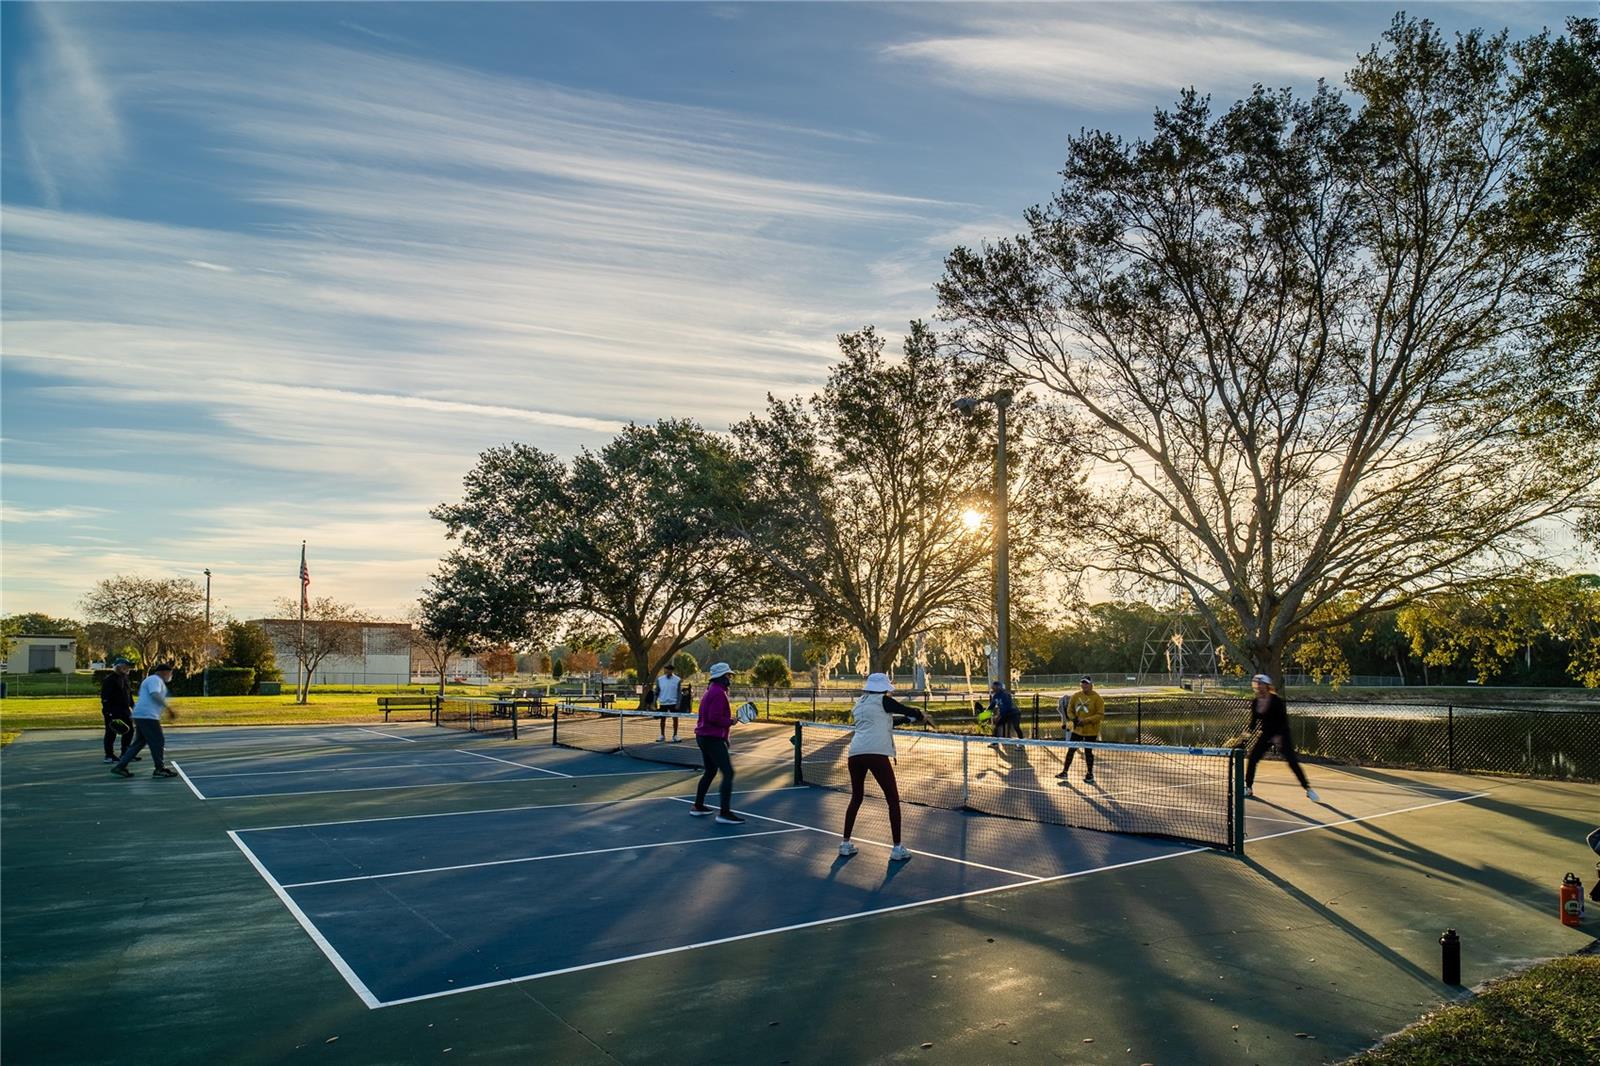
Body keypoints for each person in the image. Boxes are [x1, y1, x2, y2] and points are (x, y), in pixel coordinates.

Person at [838, 672, 928, 861]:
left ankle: (845, 844)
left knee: (856, 797)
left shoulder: (860, 703)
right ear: (883, 688)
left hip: (855, 754)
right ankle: (897, 848)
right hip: (875, 753)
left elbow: (885, 721)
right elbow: (906, 709)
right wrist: (918, 714)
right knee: (893, 800)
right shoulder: (884, 700)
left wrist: (907, 720)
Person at [1243, 673, 1318, 802]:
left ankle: (1308, 789)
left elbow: (1283, 721)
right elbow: (1253, 724)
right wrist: (1244, 738)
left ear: (1267, 686)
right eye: (1257, 684)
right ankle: (1248, 788)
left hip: (1282, 733)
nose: (1258, 686)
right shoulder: (1255, 702)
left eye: (1261, 684)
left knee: (1292, 761)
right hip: (1266, 734)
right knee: (1253, 758)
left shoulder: (1276, 700)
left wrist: (1278, 737)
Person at [688, 662, 743, 823]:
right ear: (721, 677)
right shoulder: (718, 693)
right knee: (728, 773)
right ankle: (724, 813)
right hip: (712, 739)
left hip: (704, 737)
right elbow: (714, 718)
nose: (730, 678)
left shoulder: (711, 690)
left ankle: (698, 806)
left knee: (710, 771)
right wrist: (730, 722)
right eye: (728, 675)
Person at [111, 663, 180, 779]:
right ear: (164, 672)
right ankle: (159, 769)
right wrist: (169, 709)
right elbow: (154, 694)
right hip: (148, 716)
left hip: (142, 714)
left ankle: (120, 766)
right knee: (158, 741)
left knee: (139, 742)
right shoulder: (155, 679)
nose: (171, 675)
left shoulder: (152, 680)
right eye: (170, 673)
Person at [1056, 675, 1105, 784]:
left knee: (1088, 752)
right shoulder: (1076, 696)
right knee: (1071, 750)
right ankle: (1064, 772)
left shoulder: (1098, 698)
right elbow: (1070, 709)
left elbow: (1100, 715)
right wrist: (1074, 718)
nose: (1084, 685)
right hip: (1077, 730)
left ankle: (1090, 774)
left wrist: (1086, 720)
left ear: (1091, 685)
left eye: (1086, 683)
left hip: (1091, 731)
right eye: (1082, 683)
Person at [99, 657, 138, 764]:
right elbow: (105, 697)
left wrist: (134, 708)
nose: (127, 668)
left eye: (128, 666)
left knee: (129, 730)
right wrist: (109, 712)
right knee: (111, 732)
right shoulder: (110, 680)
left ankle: (125, 753)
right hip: (113, 711)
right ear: (118, 667)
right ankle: (109, 755)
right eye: (125, 666)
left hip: (125, 710)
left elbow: (129, 695)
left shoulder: (125, 679)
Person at [653, 663, 683, 743]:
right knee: (662, 719)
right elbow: (657, 691)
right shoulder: (660, 679)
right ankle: (662, 735)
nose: (667, 671)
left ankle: (675, 735)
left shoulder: (677, 680)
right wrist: (655, 701)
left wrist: (678, 703)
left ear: (672, 670)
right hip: (663, 702)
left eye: (669, 669)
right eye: (666, 669)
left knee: (675, 719)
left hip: (673, 702)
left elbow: (679, 693)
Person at [987, 679, 1022, 744]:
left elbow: (1006, 706)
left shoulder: (1006, 694)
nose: (993, 688)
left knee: (1016, 727)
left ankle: (1021, 743)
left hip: (1014, 713)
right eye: (993, 687)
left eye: (995, 687)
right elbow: (991, 706)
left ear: (999, 687)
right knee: (997, 725)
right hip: (1005, 714)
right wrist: (983, 715)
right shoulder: (995, 696)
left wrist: (999, 716)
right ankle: (995, 743)